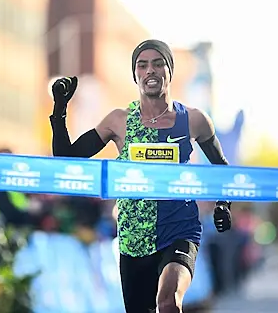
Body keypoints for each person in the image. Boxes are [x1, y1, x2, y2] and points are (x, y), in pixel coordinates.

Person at [50, 39, 232, 313]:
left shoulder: (194, 120)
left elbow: (222, 166)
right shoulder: (118, 121)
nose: (150, 71)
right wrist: (60, 110)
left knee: (168, 301)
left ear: (169, 71)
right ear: (135, 74)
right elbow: (67, 159)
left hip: (180, 230)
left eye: (158, 64)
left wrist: (223, 203)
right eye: (142, 65)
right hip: (134, 238)